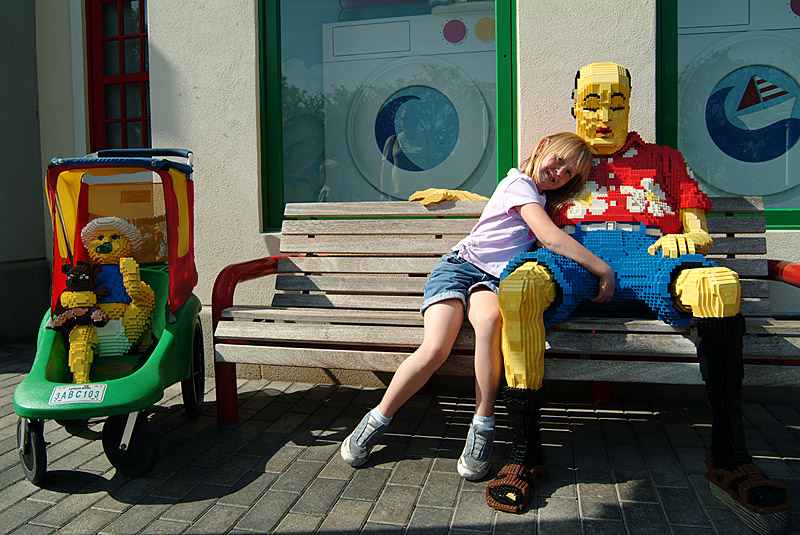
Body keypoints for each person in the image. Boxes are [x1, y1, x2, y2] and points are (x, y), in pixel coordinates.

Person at [487, 63, 790, 530]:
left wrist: (691, 238)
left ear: (630, 105)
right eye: (591, 102)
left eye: (616, 102)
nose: (604, 113)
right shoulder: (567, 161)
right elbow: (516, 192)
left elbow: (697, 228)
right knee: (519, 287)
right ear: (574, 107)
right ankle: (524, 452)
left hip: (648, 253)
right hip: (576, 254)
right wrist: (451, 195)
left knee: (720, 286)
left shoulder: (664, 159)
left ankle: (730, 456)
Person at [340, 132, 614, 482]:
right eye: (558, 161)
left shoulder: (539, 200)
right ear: (542, 147)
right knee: (437, 347)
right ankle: (378, 417)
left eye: (568, 173)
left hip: (493, 281)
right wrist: (602, 269)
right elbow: (548, 237)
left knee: (489, 324)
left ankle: (482, 424)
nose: (558, 173)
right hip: (458, 269)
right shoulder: (519, 182)